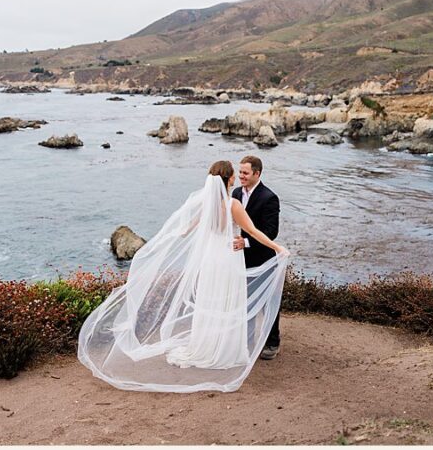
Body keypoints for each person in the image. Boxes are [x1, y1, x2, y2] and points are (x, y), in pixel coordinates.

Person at [77, 160, 289, 392]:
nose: (238, 177)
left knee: (211, 301)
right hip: (228, 259)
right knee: (229, 302)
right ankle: (224, 349)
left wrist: (167, 238)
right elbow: (253, 231)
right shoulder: (233, 204)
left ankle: (207, 345)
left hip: (210, 260)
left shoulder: (208, 204)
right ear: (229, 179)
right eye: (235, 174)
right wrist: (277, 248)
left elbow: (188, 228)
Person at [230, 155, 282, 360]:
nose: (241, 176)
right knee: (245, 300)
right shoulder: (236, 193)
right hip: (239, 259)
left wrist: (246, 242)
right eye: (240, 172)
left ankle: (272, 343)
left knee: (267, 302)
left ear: (257, 173)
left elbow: (271, 231)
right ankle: (248, 341)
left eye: (245, 173)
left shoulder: (269, 198)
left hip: (262, 258)